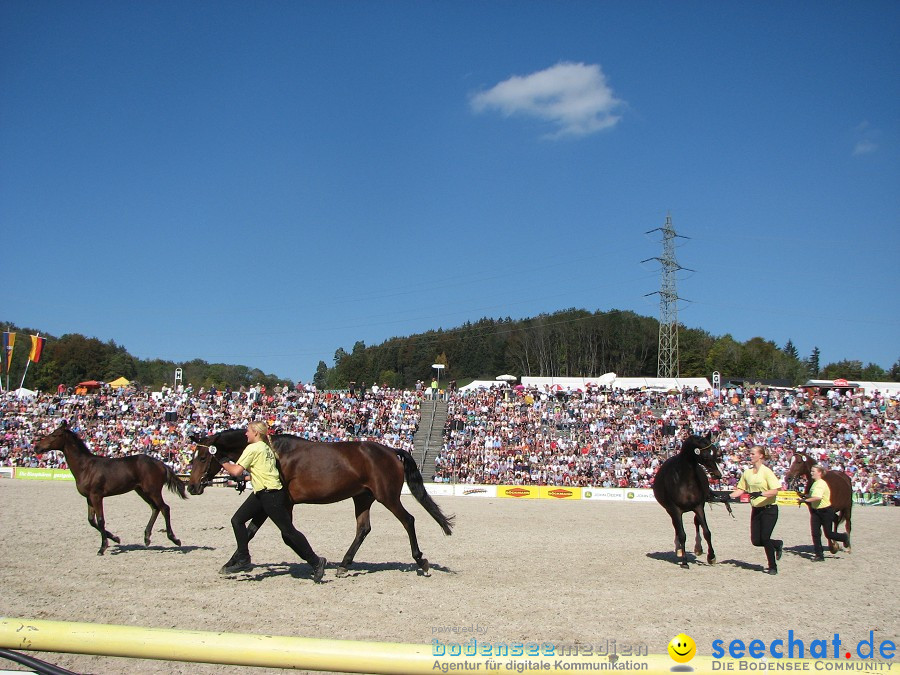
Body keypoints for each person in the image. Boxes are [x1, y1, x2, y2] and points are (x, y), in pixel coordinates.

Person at [217, 421, 326, 581]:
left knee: (288, 532)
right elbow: (262, 472)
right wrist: (247, 478)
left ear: (255, 433)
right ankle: (243, 557)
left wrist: (221, 460)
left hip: (270, 495)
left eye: (247, 431)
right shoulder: (267, 448)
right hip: (263, 493)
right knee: (237, 520)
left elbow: (235, 471)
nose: (245, 434)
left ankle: (316, 562)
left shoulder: (253, 448)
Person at [729, 445, 784, 575]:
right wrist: (727, 496)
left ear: (761, 456)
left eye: (753, 453)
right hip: (756, 510)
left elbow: (775, 490)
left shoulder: (766, 471)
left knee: (765, 538)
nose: (751, 455)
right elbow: (741, 489)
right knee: (756, 541)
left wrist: (761, 494)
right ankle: (776, 544)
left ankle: (772, 566)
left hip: (769, 509)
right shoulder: (747, 473)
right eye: (750, 453)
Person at [801, 464, 850, 560]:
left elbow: (817, 497)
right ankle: (819, 555)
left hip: (825, 511)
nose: (811, 473)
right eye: (811, 471)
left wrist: (805, 501)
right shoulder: (815, 483)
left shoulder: (821, 483)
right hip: (816, 511)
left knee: (828, 533)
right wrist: (805, 496)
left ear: (819, 473)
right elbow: (813, 495)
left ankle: (844, 537)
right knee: (815, 533)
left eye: (813, 471)